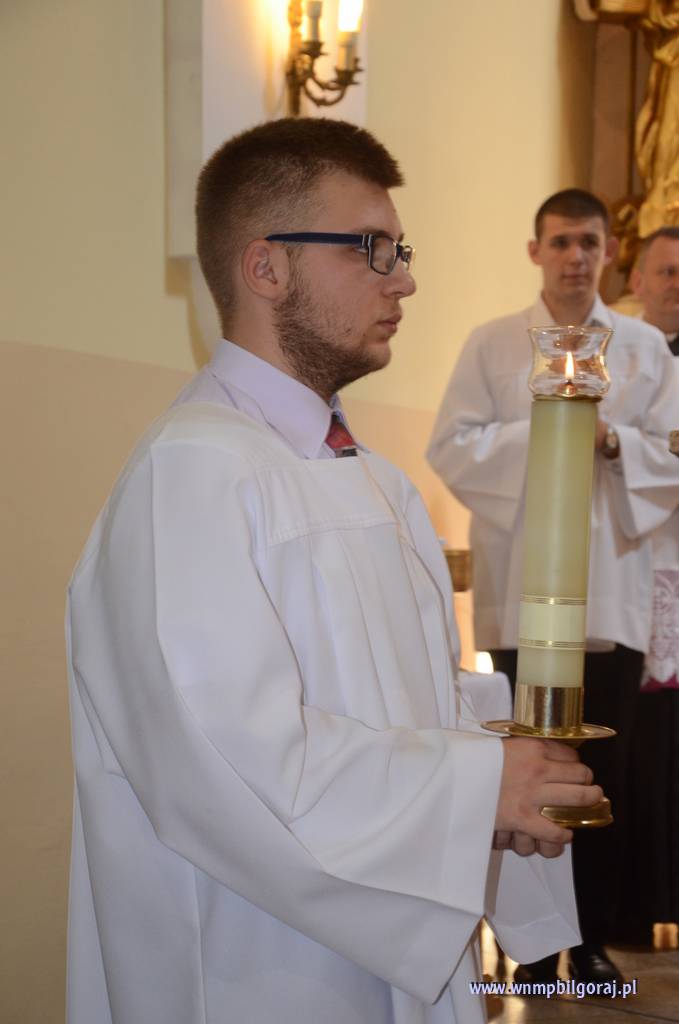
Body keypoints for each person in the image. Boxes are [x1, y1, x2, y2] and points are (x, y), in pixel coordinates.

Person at [66, 121, 600, 1024]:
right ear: (265, 267)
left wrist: (511, 761)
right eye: (369, 248)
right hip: (258, 969)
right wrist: (475, 789)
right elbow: (228, 763)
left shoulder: (374, 479)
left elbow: (405, 697)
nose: (404, 279)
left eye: (400, 249)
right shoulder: (190, 472)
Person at [427, 189, 679, 986]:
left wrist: (608, 443)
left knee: (603, 773)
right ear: (534, 250)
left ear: (610, 252)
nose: (575, 257)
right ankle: (531, 947)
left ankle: (591, 939)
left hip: (610, 591)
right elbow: (451, 445)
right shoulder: (491, 342)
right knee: (524, 768)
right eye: (561, 242)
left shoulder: (644, 347)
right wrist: (551, 426)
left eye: (588, 243)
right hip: (522, 593)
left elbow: (671, 454)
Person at [616, 226, 679, 943]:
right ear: (636, 278)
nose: (675, 284)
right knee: (637, 745)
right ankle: (632, 909)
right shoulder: (620, 354)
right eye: (665, 271)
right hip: (635, 559)